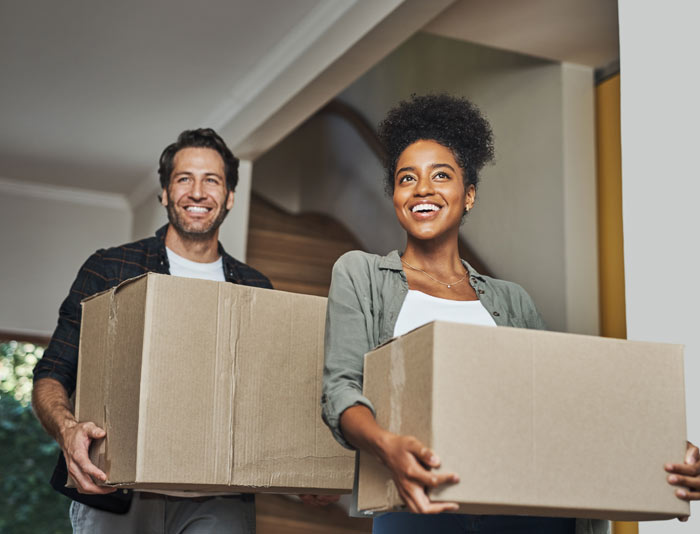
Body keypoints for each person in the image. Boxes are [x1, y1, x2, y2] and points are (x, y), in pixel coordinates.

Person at [321, 94, 700, 533]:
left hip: (526, 516)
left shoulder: (512, 300)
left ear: (469, 196)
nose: (423, 188)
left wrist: (660, 453)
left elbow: (562, 408)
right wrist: (387, 446)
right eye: (408, 178)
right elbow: (340, 390)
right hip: (418, 510)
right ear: (395, 196)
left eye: (441, 175)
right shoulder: (362, 275)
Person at [32, 128, 270, 533]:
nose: (197, 192)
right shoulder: (109, 270)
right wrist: (68, 430)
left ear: (229, 196)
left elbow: (269, 398)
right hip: (117, 489)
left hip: (220, 497)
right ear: (164, 192)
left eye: (211, 180)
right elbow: (51, 374)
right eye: (184, 179)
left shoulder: (256, 290)